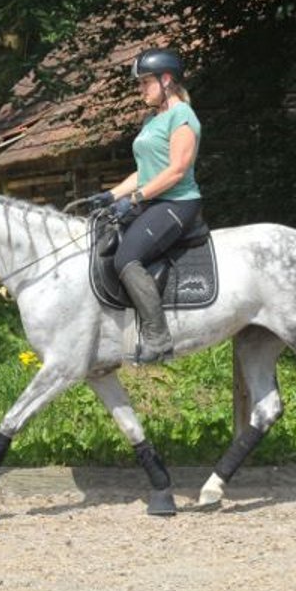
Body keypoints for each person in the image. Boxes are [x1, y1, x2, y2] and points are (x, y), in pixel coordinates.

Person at [89, 47, 203, 364]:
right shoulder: (154, 120)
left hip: (177, 203)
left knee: (127, 257)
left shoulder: (183, 117)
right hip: (153, 200)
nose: (141, 90)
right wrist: (111, 196)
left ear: (166, 80)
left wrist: (135, 199)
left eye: (145, 83)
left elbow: (176, 170)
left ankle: (159, 340)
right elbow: (145, 172)